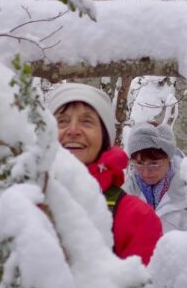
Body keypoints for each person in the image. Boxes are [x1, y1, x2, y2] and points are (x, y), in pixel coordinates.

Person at [46, 83, 163, 273]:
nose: (73, 130)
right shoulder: (21, 201)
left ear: (105, 137)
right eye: (62, 121)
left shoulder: (136, 217)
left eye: (86, 122)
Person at [124, 123, 187, 233]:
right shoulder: (126, 193)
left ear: (169, 158)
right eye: (139, 164)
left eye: (154, 164)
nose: (145, 172)